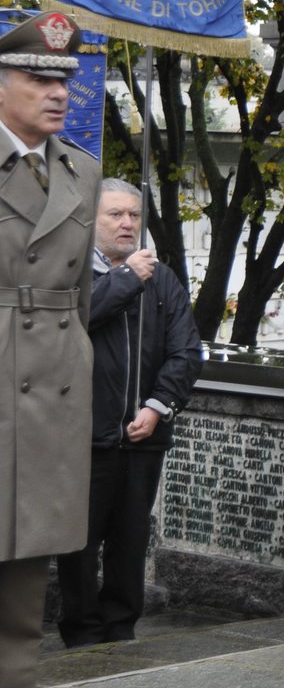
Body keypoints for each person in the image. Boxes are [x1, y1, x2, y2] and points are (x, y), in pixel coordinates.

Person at [0, 10, 100, 688]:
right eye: (38, 78)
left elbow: (83, 299)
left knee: (32, 542)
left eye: (63, 80)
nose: (56, 93)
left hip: (56, 369)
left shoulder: (82, 171)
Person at [55, 178, 201, 648]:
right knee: (79, 544)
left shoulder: (162, 279)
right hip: (85, 437)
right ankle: (80, 632)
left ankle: (120, 628)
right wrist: (123, 279)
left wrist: (158, 406)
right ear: (91, 221)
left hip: (143, 437)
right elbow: (73, 323)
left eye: (134, 216)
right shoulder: (75, 276)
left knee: (130, 539)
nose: (127, 224)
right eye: (115, 214)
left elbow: (186, 352)